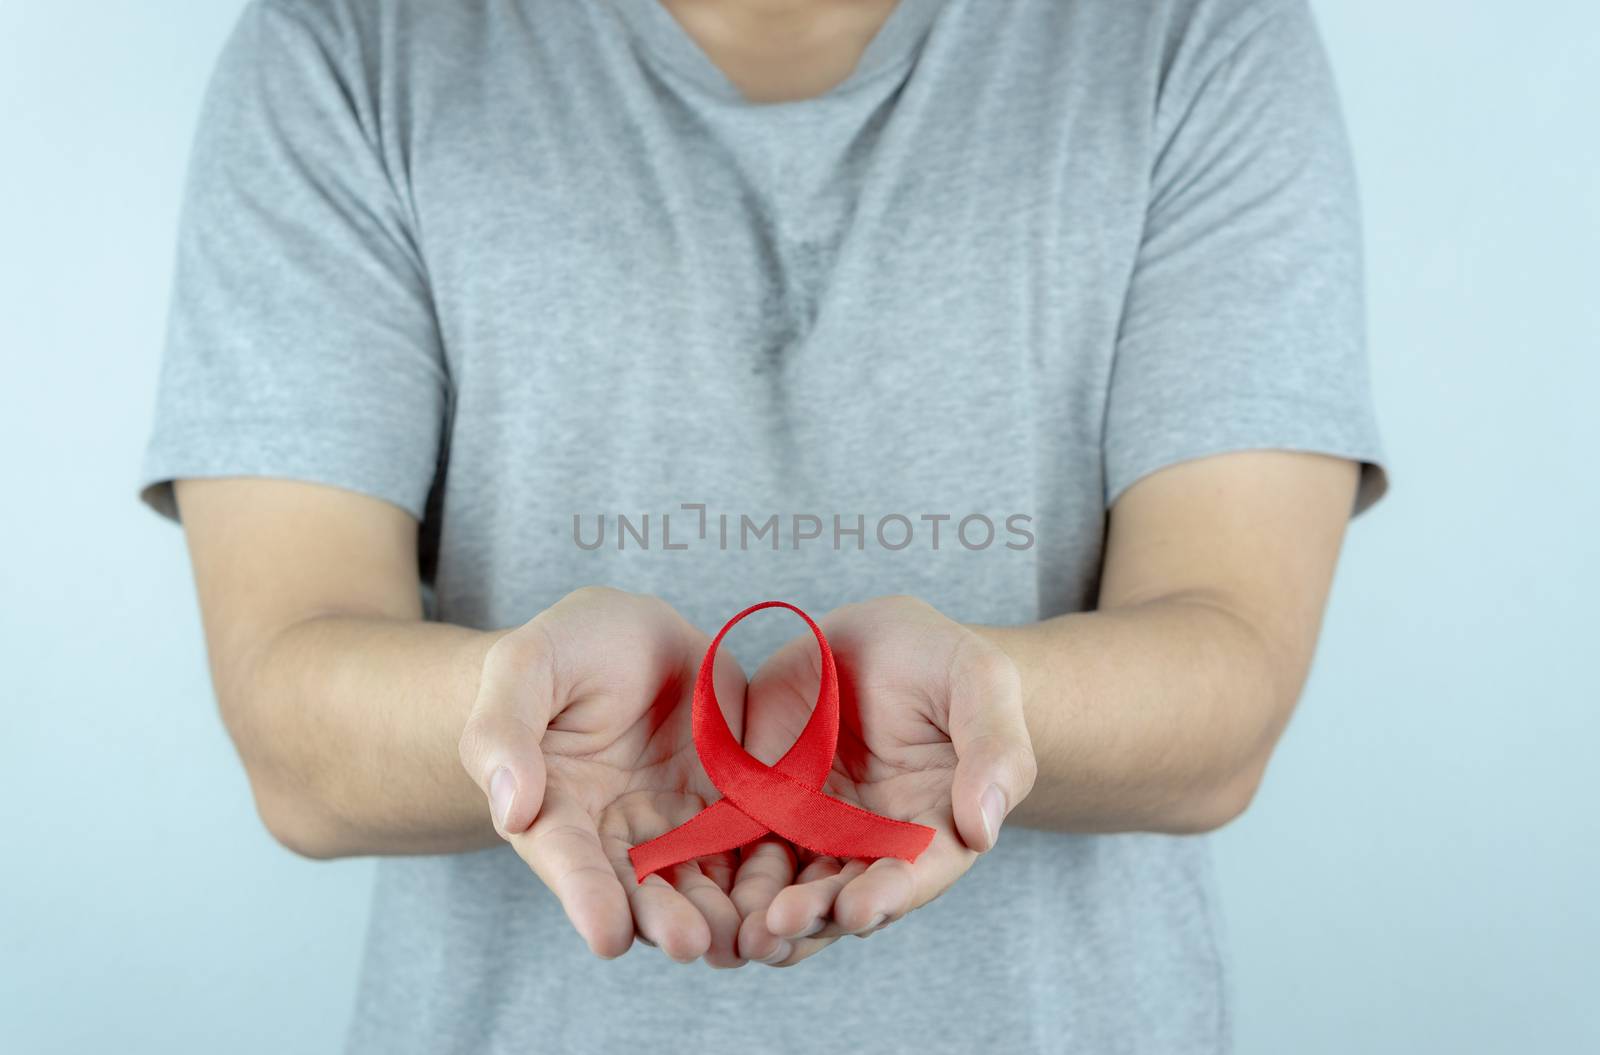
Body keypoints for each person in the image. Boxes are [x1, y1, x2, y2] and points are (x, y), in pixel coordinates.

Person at [138, 0, 1389, 1051]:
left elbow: (1229, 680)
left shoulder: (1198, 30)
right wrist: (508, 705)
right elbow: (291, 736)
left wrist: (995, 698)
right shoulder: (347, 41)